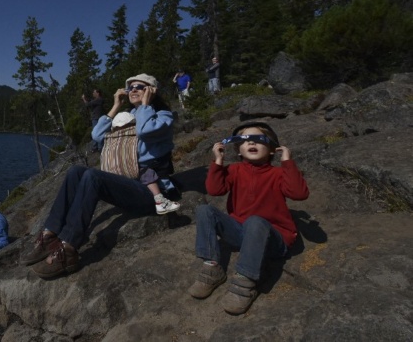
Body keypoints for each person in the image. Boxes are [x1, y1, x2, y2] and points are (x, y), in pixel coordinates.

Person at [20, 73, 180, 279]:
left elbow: (146, 131)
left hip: (153, 192)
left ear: (151, 90)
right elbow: (97, 136)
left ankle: (68, 248)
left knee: (94, 176)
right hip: (129, 185)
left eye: (139, 87)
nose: (132, 90)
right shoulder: (133, 114)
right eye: (129, 87)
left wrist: (145, 106)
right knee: (76, 172)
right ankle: (50, 234)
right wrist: (115, 106)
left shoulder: (163, 116)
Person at [188, 122, 309, 315]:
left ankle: (245, 282)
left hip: (273, 239)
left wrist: (287, 162)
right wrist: (218, 161)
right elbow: (214, 189)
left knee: (255, 220)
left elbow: (299, 193)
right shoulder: (234, 170)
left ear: (271, 150)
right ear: (238, 150)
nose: (251, 143)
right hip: (242, 233)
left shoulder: (278, 174)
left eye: (259, 140)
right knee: (205, 210)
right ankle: (212, 268)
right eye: (244, 141)